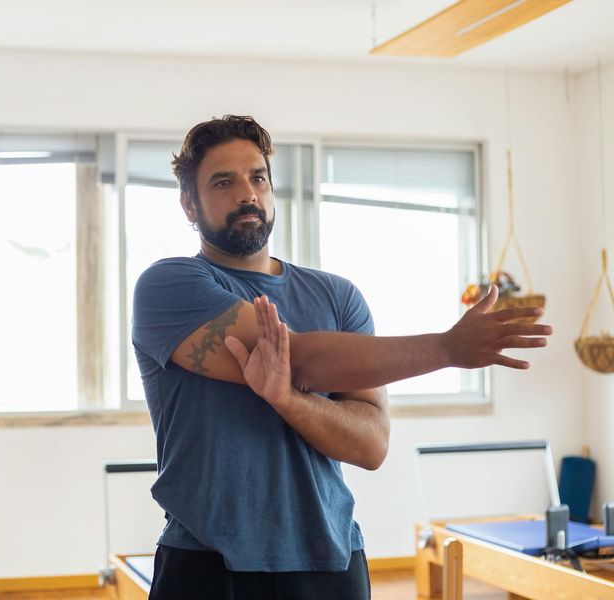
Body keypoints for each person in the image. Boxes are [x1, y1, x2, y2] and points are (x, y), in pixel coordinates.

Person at [131, 115, 552, 600]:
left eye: (258, 177)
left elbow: (369, 445)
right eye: (223, 181)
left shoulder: (337, 296)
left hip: (331, 560)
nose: (246, 193)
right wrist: (446, 348)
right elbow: (301, 360)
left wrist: (288, 401)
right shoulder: (168, 285)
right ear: (189, 202)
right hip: (208, 564)